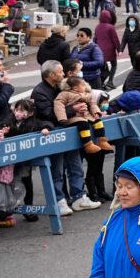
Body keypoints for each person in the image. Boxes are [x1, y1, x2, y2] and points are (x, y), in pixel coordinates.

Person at [32, 60, 96, 215]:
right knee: (57, 169)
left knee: (76, 166)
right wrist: (72, 109)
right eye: (60, 71)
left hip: (69, 129)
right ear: (51, 74)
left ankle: (78, 197)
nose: (64, 73)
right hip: (54, 132)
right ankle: (59, 200)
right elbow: (48, 114)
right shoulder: (40, 92)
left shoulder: (61, 86)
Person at [55, 75, 115, 156]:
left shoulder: (86, 94)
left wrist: (96, 112)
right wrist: (62, 118)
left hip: (86, 115)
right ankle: (88, 144)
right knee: (83, 125)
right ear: (76, 88)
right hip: (74, 117)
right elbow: (59, 105)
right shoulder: (64, 94)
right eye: (83, 85)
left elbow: (92, 104)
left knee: (98, 121)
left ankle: (102, 141)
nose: (85, 86)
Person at [95, 10, 122, 90]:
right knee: (114, 65)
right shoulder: (110, 27)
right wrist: (119, 49)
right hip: (110, 50)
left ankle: (101, 83)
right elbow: (115, 40)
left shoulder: (98, 26)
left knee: (102, 68)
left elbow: (95, 38)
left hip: (99, 50)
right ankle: (110, 81)